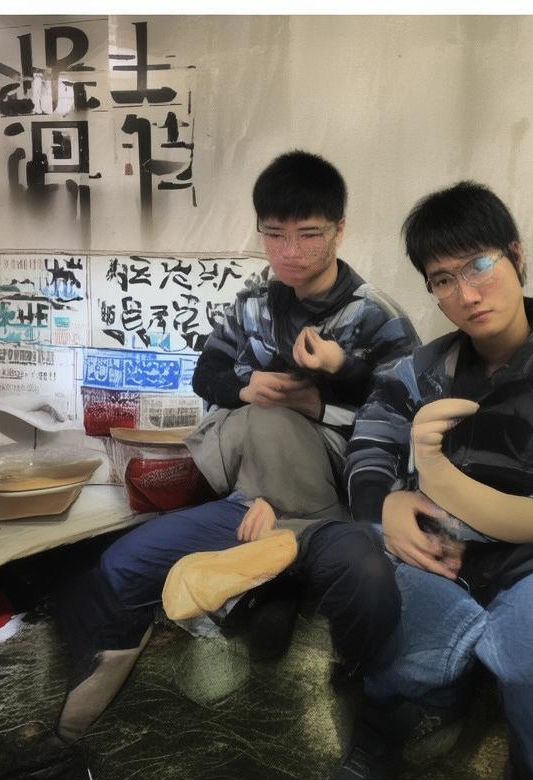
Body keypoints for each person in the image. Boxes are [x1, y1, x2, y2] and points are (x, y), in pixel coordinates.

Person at [50, 151, 419, 749]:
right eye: (274, 234)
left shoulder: (374, 316)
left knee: (346, 553)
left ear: (340, 231)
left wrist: (331, 387)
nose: (289, 251)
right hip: (254, 491)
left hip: (336, 499)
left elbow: (405, 417)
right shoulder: (254, 301)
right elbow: (208, 373)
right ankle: (78, 715)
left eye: (309, 234)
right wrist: (246, 387)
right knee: (122, 564)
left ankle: (279, 579)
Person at [316, 181, 533, 780]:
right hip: (431, 557)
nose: (467, 294)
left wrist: (439, 474)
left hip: (532, 567)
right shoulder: (422, 370)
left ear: (517, 255)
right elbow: (371, 441)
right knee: (364, 582)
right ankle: (390, 725)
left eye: (480, 264)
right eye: (443, 279)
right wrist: (385, 504)